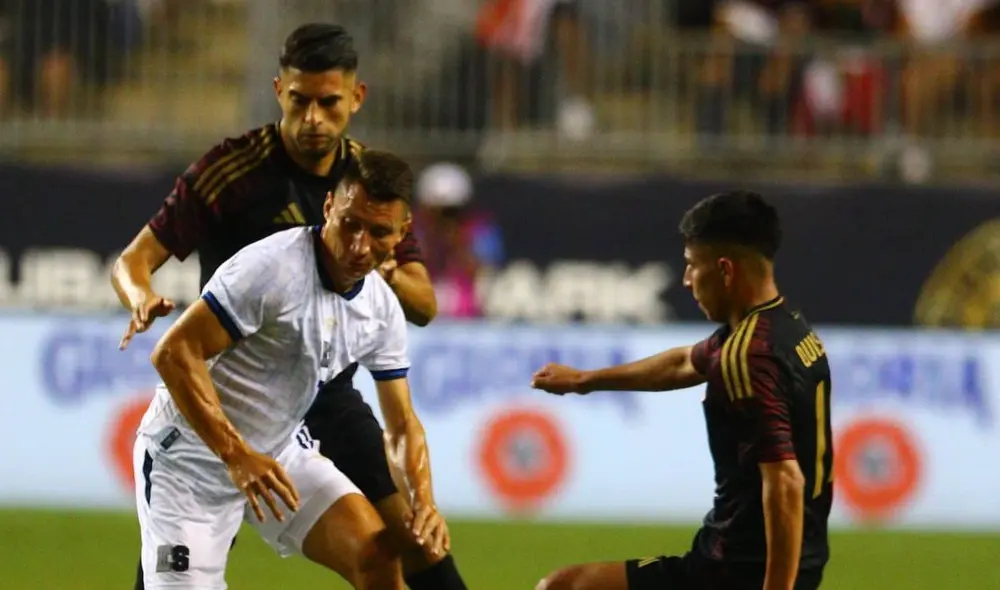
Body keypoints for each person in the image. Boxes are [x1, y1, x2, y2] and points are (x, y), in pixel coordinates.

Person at [112, 23, 467, 590]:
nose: (313, 119)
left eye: (328, 103)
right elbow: (142, 279)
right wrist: (139, 297)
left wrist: (377, 261)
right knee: (175, 568)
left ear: (356, 97)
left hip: (312, 400)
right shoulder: (244, 196)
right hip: (212, 412)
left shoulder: (372, 188)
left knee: (401, 547)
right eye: (300, 101)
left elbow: (418, 334)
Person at [137, 150, 416, 589]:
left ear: (403, 231)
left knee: (376, 558)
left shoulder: (379, 305)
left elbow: (402, 423)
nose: (361, 246)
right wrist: (237, 455)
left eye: (378, 232)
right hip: (189, 463)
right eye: (350, 224)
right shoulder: (271, 268)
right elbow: (172, 354)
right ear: (328, 208)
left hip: (278, 455)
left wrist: (426, 503)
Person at [531, 190, 833, 590]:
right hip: (794, 561)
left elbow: (784, 481)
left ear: (725, 269)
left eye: (692, 265)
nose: (687, 280)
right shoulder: (786, 329)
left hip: (735, 572)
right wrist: (586, 381)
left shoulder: (749, 356)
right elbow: (683, 363)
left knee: (562, 587)